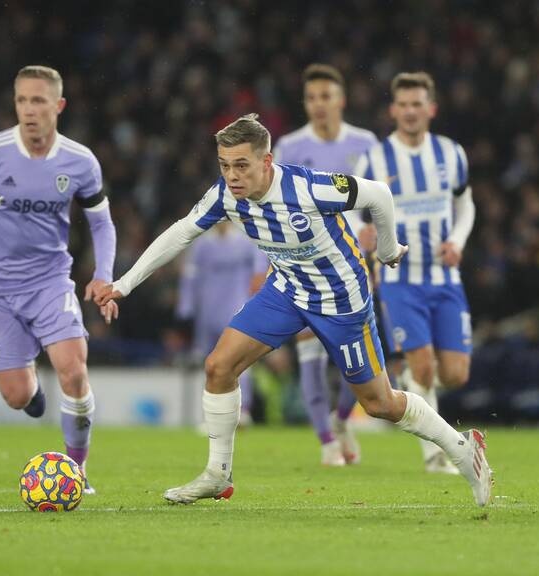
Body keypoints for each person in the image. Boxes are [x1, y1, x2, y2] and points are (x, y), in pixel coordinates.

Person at [94, 114, 492, 506]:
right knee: (218, 367)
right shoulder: (225, 196)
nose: (232, 176)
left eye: (241, 165)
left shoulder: (308, 187)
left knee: (379, 403)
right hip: (286, 291)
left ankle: (462, 449)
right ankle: (217, 474)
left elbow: (379, 195)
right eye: (224, 165)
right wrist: (124, 284)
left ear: (266, 161)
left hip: (341, 300)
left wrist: (387, 250)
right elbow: (182, 232)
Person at [0, 65, 117, 492]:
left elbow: (101, 223)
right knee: (17, 396)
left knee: (73, 371)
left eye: (38, 100)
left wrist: (103, 275)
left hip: (49, 281)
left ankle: (77, 471)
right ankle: (31, 392)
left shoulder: (80, 161)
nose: (29, 110)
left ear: (59, 106)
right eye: (22, 100)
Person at [354, 72, 476, 474]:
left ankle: (411, 383)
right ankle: (435, 456)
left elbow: (466, 204)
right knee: (424, 367)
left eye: (417, 104)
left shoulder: (451, 154)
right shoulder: (374, 160)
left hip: (444, 278)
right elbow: (351, 213)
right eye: (403, 105)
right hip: (399, 279)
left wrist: (457, 240)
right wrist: (362, 234)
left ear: (431, 109)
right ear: (393, 110)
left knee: (455, 374)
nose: (410, 111)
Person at [272, 63, 377, 466]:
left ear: (341, 100)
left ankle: (343, 417)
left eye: (326, 96)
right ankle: (327, 442)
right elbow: (273, 207)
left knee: (357, 354)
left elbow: (380, 200)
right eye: (312, 97)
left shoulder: (366, 143)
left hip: (352, 263)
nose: (318, 104)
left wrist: (376, 237)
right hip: (303, 265)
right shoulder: (289, 147)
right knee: (309, 351)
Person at [176, 221, 268, 424]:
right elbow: (190, 276)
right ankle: (212, 413)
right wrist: (186, 306)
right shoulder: (202, 244)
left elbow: (260, 270)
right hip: (208, 310)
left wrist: (258, 303)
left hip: (236, 307)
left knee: (239, 359)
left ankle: (242, 409)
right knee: (209, 362)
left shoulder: (246, 240)